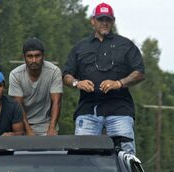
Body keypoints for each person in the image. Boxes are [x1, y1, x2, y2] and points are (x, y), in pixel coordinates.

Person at [62, 2, 145, 154]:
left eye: (108, 19)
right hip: (88, 110)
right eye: (101, 19)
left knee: (125, 155)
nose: (104, 23)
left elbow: (139, 72)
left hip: (120, 109)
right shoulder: (80, 47)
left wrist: (119, 83)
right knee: (82, 154)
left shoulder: (126, 45)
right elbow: (66, 75)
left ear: (113, 21)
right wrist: (77, 83)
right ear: (93, 21)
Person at [8, 38, 63, 136]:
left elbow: (57, 101)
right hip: (22, 125)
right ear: (24, 57)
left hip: (47, 124)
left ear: (43, 56)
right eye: (30, 56)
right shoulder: (15, 75)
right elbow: (18, 106)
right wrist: (28, 130)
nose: (34, 60)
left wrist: (52, 128)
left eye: (37, 56)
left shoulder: (54, 71)